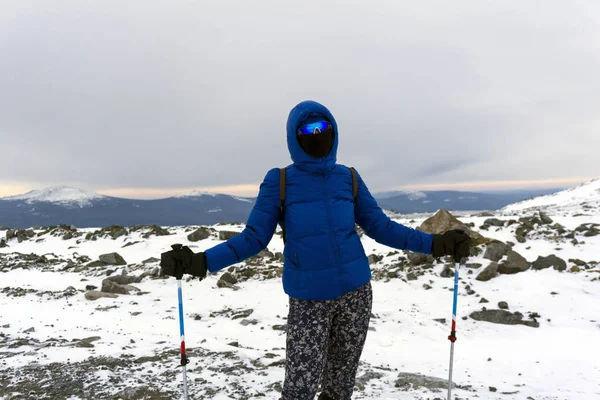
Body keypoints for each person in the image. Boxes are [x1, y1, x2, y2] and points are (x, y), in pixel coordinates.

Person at [160, 100, 471, 400]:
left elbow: (381, 227)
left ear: (334, 129)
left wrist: (436, 244)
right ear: (293, 138)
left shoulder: (347, 177)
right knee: (300, 389)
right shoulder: (280, 181)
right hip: (309, 300)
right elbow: (254, 237)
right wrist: (200, 262)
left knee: (340, 386)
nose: (317, 135)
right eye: (307, 130)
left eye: (323, 126)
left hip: (356, 294)